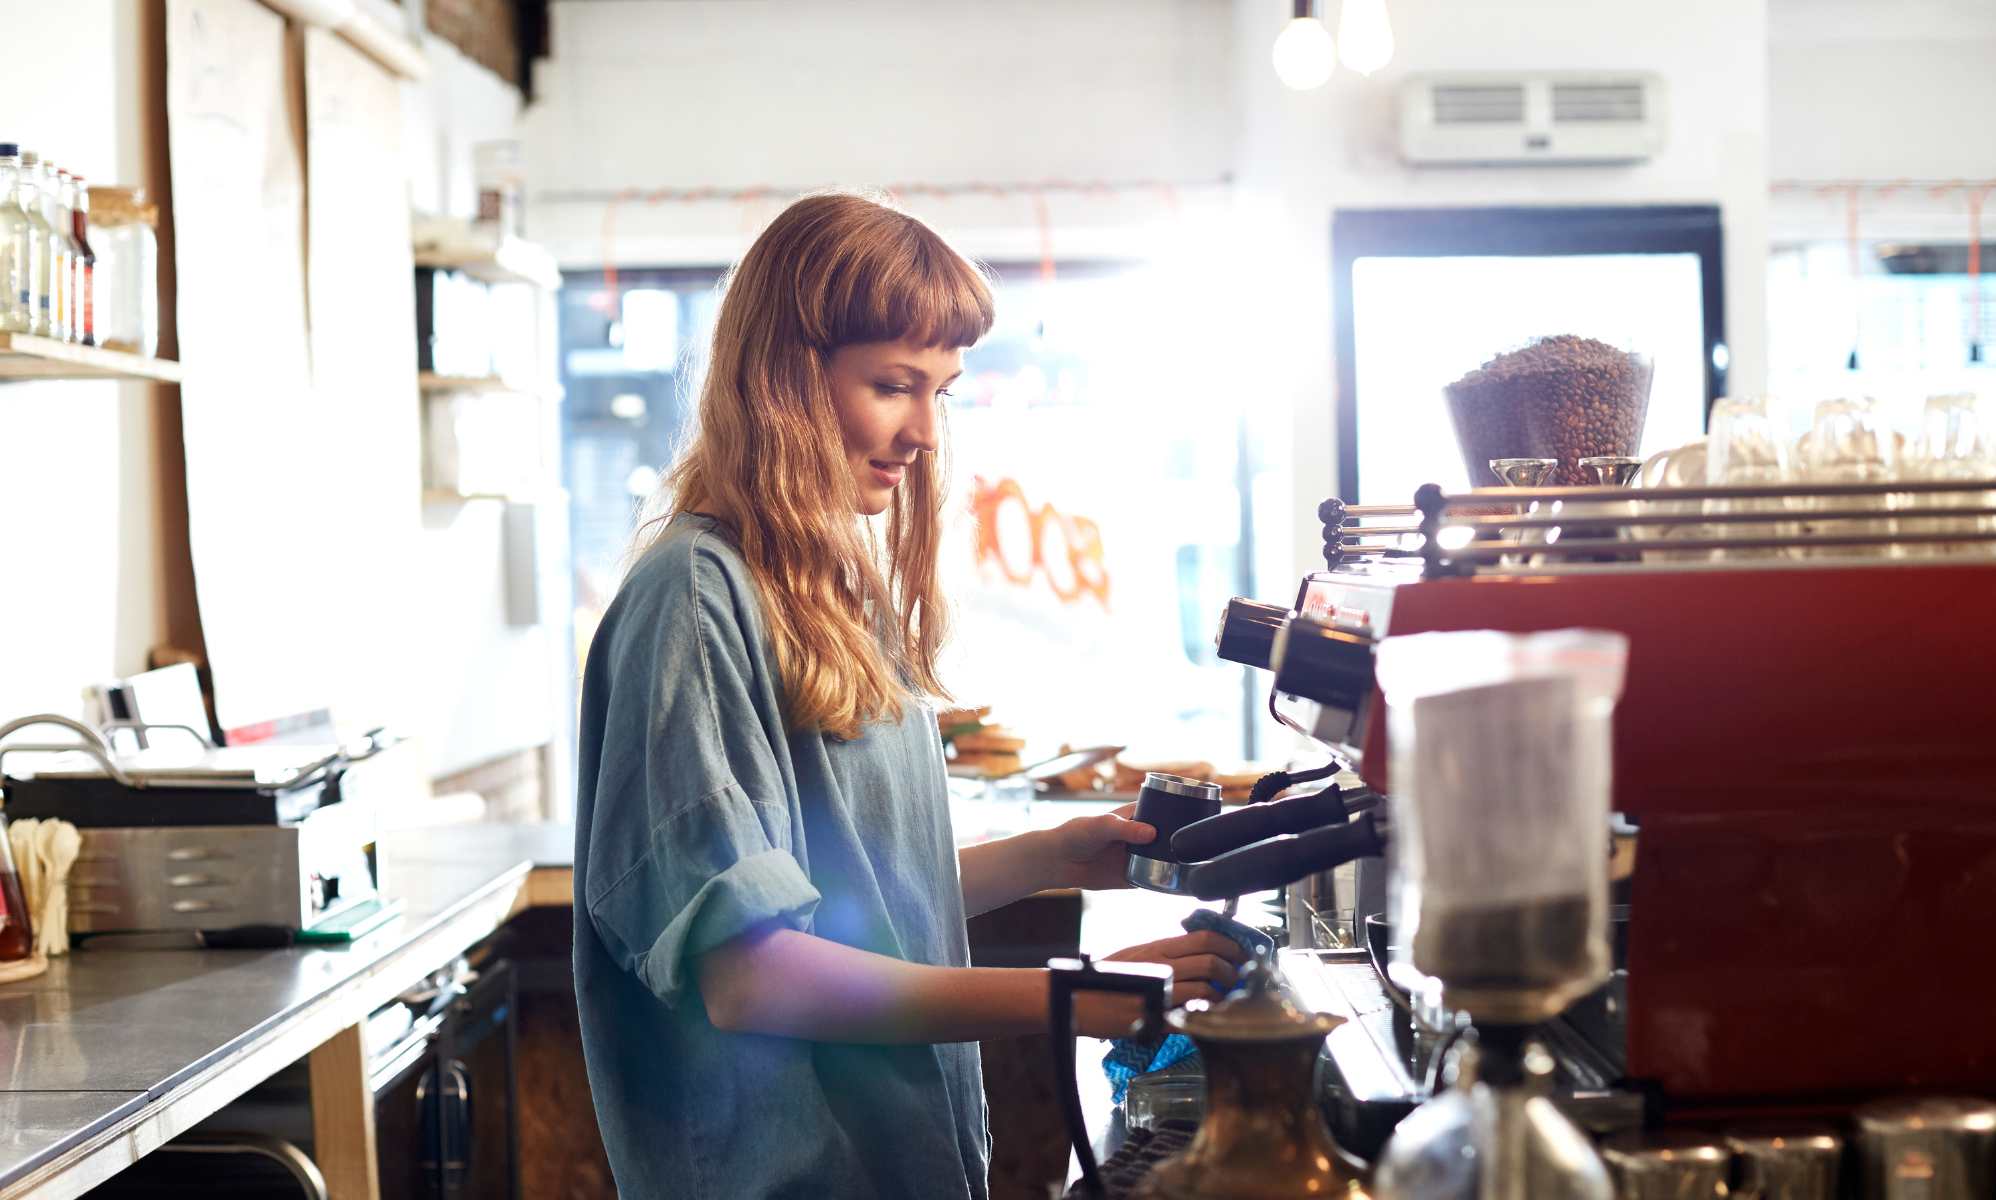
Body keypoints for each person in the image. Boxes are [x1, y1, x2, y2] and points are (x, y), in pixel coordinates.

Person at [572, 193, 1246, 1199]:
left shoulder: (822, 587)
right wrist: (1071, 996)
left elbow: (853, 899)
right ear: (783, 379)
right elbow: (750, 974)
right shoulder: (691, 600)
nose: (925, 430)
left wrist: (1052, 857)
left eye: (943, 390)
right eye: (893, 386)